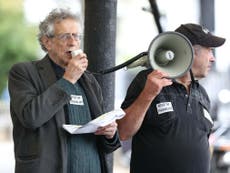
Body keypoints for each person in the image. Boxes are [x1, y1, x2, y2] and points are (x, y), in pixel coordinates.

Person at [8, 8, 120, 173]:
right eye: (65, 36)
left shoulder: (89, 80)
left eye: (76, 36)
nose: (73, 42)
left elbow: (105, 142)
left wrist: (110, 133)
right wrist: (68, 80)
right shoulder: (24, 72)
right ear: (47, 42)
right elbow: (31, 117)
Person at [117, 23, 225, 173]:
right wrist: (148, 94)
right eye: (210, 51)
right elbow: (123, 131)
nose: (213, 59)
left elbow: (204, 143)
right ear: (190, 52)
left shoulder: (202, 93)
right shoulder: (148, 81)